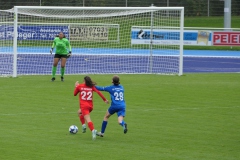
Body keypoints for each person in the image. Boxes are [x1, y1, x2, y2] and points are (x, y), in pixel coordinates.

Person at [74, 76, 109, 140]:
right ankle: (83, 125)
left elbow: (74, 94)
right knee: (79, 112)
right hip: (90, 106)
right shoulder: (91, 86)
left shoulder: (80, 86)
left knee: (88, 119)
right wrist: (105, 100)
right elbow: (98, 92)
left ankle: (93, 131)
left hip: (84, 106)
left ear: (84, 81)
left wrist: (76, 86)